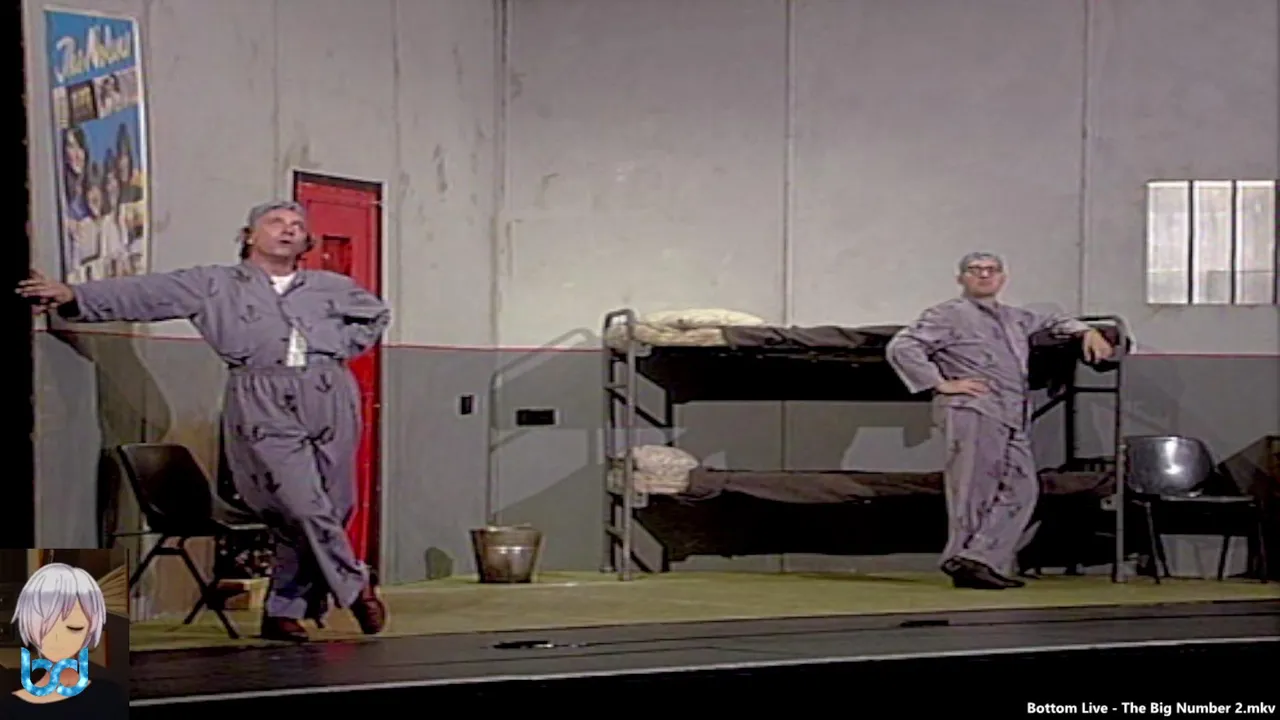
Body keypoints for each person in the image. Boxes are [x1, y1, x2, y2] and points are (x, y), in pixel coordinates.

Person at [17, 201, 392, 642]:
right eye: (275, 223)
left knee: (333, 504)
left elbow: (375, 315)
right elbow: (148, 293)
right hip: (261, 395)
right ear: (249, 236)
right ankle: (354, 584)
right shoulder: (214, 284)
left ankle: (282, 609)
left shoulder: (330, 286)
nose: (288, 230)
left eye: (297, 225)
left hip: (329, 391)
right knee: (301, 504)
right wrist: (74, 295)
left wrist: (337, 345)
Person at [886, 252, 1114, 590]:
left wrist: (1086, 331)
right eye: (975, 270)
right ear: (961, 278)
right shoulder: (947, 314)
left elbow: (1054, 319)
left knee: (1023, 488)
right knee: (973, 489)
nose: (984, 275)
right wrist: (941, 383)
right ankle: (966, 560)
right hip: (973, 410)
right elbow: (903, 346)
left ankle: (977, 557)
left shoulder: (1014, 318)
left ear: (1002, 277)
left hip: (1011, 415)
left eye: (991, 270)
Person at [1, 563, 127, 719]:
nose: (57, 638)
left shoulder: (110, 695)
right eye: (47, 626)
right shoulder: (9, 709)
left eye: (73, 627)